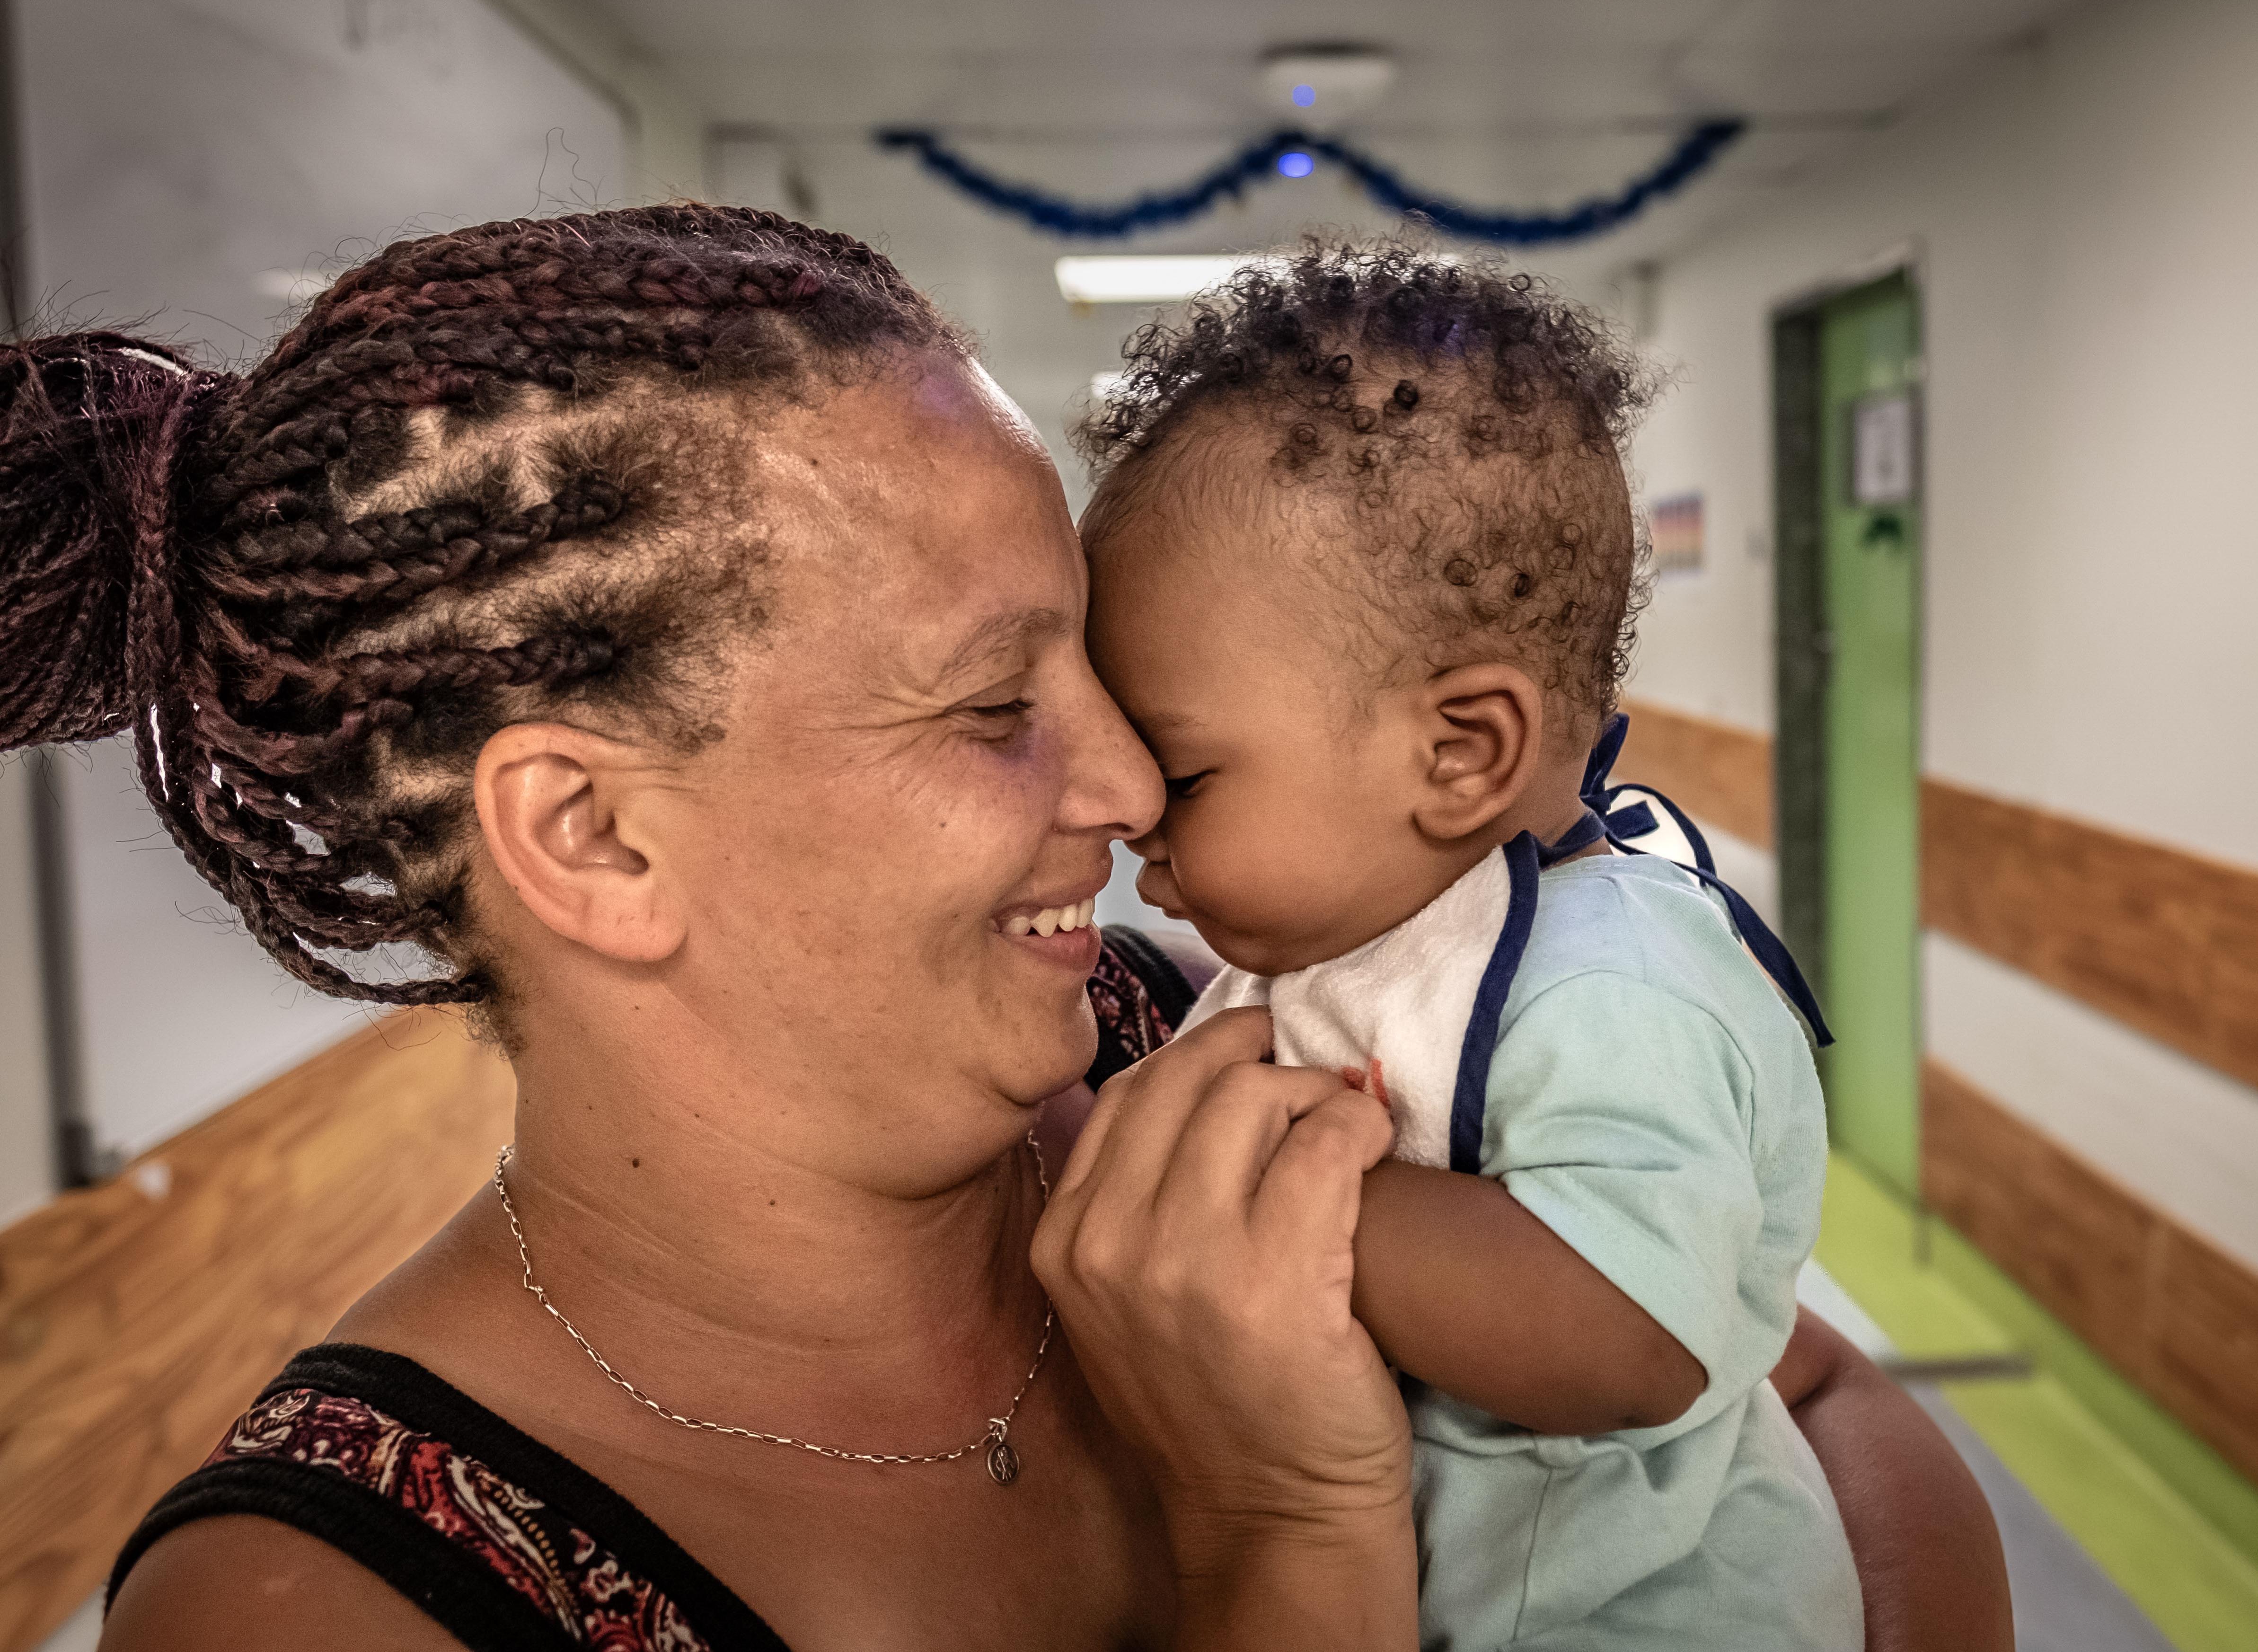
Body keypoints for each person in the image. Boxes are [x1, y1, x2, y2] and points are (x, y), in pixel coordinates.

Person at [0, 206, 2010, 1650]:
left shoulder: (1192, 1034)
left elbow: (1796, 1392)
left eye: (1105, 676)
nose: (1134, 790)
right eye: (992, 705)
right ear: (591, 832)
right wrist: (1277, 1532)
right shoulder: (333, 1597)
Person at [1078, 239, 1862, 1647]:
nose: (1134, 807)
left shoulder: (1616, 976)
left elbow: (1621, 1336)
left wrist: (1288, 1202)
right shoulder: (1341, 935)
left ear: (1460, 751)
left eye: (1184, 774)